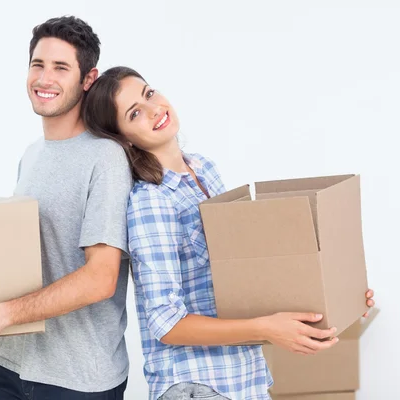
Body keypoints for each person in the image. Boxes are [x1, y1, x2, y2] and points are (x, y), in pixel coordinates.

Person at [82, 66, 376, 400]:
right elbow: (166, 323)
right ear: (124, 138)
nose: (153, 110)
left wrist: (336, 297)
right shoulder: (151, 200)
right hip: (196, 386)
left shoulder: (204, 169)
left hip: (243, 380)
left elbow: (242, 279)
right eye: (135, 113)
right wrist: (264, 328)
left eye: (149, 94)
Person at [0, 17, 133, 399]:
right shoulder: (32, 155)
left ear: (88, 79)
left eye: (61, 68)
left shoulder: (105, 158)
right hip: (11, 364)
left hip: (76, 380)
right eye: (38, 64)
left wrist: (0, 315)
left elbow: (100, 278)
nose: (45, 78)